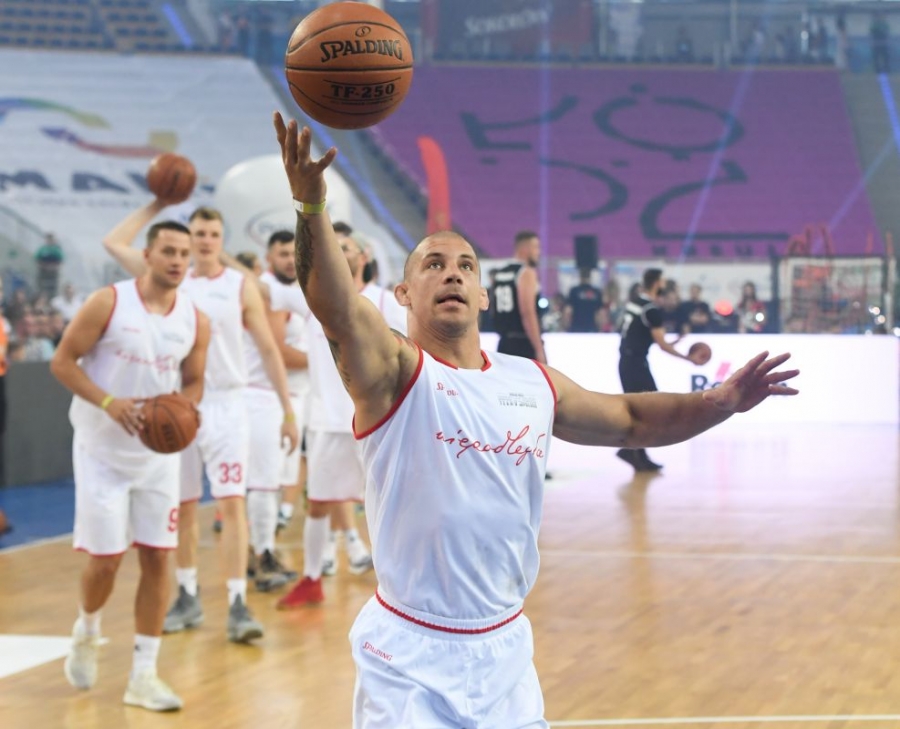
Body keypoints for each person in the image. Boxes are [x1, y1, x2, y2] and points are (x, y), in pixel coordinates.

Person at [273, 115, 799, 728]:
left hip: (505, 650)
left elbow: (630, 418)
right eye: (433, 264)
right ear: (403, 294)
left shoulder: (530, 381)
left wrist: (719, 403)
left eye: (466, 266)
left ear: (483, 295)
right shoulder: (394, 373)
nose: (452, 272)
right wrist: (310, 206)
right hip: (409, 651)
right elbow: (335, 307)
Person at [101, 200, 299, 644]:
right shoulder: (170, 277)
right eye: (198, 235)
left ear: (222, 241)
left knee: (232, 503)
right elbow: (113, 243)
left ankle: (237, 601)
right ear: (187, 241)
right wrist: (158, 203)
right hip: (179, 405)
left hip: (228, 405)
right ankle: (187, 595)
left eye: (213, 235)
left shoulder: (239, 285)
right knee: (184, 506)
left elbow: (269, 350)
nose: (205, 242)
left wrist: (287, 410)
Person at [50, 220, 210, 712]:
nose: (178, 260)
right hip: (101, 451)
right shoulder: (109, 302)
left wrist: (184, 409)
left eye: (184, 253)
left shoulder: (196, 319)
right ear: (148, 254)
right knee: (106, 561)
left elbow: (194, 380)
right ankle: (87, 628)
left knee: (159, 557)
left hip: (157, 457)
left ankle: (143, 675)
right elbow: (63, 362)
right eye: (169, 251)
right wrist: (110, 402)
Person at [276, 225, 405, 609]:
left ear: (363, 257)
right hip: (327, 421)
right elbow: (261, 290)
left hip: (379, 421)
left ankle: (399, 586)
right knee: (318, 502)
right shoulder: (315, 302)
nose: (339, 251)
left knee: (393, 504)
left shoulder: (385, 301)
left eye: (346, 247)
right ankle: (311, 578)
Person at [618, 268, 703, 472]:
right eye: (662, 281)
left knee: (642, 410)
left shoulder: (636, 302)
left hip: (628, 361)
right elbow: (662, 345)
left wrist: (674, 341)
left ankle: (637, 454)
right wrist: (688, 359)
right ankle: (631, 450)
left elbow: (647, 337)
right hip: (636, 364)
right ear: (657, 283)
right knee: (650, 410)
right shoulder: (651, 310)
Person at [491, 230, 547, 363]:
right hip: (523, 342)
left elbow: (493, 308)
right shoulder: (526, 272)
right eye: (536, 247)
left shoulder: (499, 274)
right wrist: (539, 349)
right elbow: (527, 312)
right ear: (525, 249)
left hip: (503, 343)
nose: (538, 252)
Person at [564, 268, 603, 333]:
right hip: (592, 327)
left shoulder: (574, 291)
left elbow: (568, 310)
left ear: (580, 277)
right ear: (590, 277)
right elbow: (600, 313)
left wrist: (566, 326)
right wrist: (600, 328)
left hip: (576, 327)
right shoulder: (596, 292)